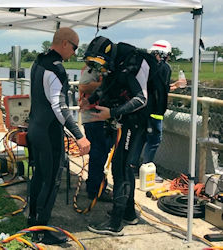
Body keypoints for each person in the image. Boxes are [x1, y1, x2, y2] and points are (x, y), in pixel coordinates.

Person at [80, 36, 156, 236]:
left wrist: (111, 114)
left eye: (100, 64)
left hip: (135, 123)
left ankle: (115, 224)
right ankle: (128, 213)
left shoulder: (133, 64)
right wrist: (91, 101)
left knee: (121, 168)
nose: (100, 69)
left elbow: (141, 99)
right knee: (123, 168)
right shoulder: (117, 65)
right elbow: (108, 87)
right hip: (125, 121)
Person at [27, 27, 90, 244]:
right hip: (48, 132)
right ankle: (42, 230)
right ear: (64, 43)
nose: (74, 52)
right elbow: (59, 106)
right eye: (74, 47)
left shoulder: (38, 62)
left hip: (35, 128)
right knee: (51, 179)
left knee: (38, 176)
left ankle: (32, 221)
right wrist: (79, 135)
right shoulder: (56, 69)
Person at [130, 40, 186, 183]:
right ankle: (147, 169)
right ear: (164, 54)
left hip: (141, 109)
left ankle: (132, 166)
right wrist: (177, 86)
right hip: (155, 111)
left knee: (141, 138)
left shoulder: (144, 67)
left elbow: (158, 87)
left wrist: (174, 85)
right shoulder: (165, 68)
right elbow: (162, 89)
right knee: (154, 141)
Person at [78, 66, 113, 201]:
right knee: (98, 154)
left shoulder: (103, 69)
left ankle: (97, 186)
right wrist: (110, 84)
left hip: (102, 118)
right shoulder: (91, 70)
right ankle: (95, 190)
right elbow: (84, 86)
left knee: (102, 153)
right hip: (93, 119)